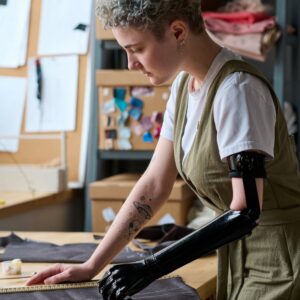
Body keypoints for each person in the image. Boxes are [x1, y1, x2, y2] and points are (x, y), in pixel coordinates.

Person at [27, 0, 300, 299]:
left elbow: (246, 211)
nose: (131, 64)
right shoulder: (185, 86)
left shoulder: (237, 91)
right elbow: (155, 184)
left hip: (282, 260)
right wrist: (93, 264)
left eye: (136, 49)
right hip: (239, 256)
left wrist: (150, 267)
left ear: (178, 31)